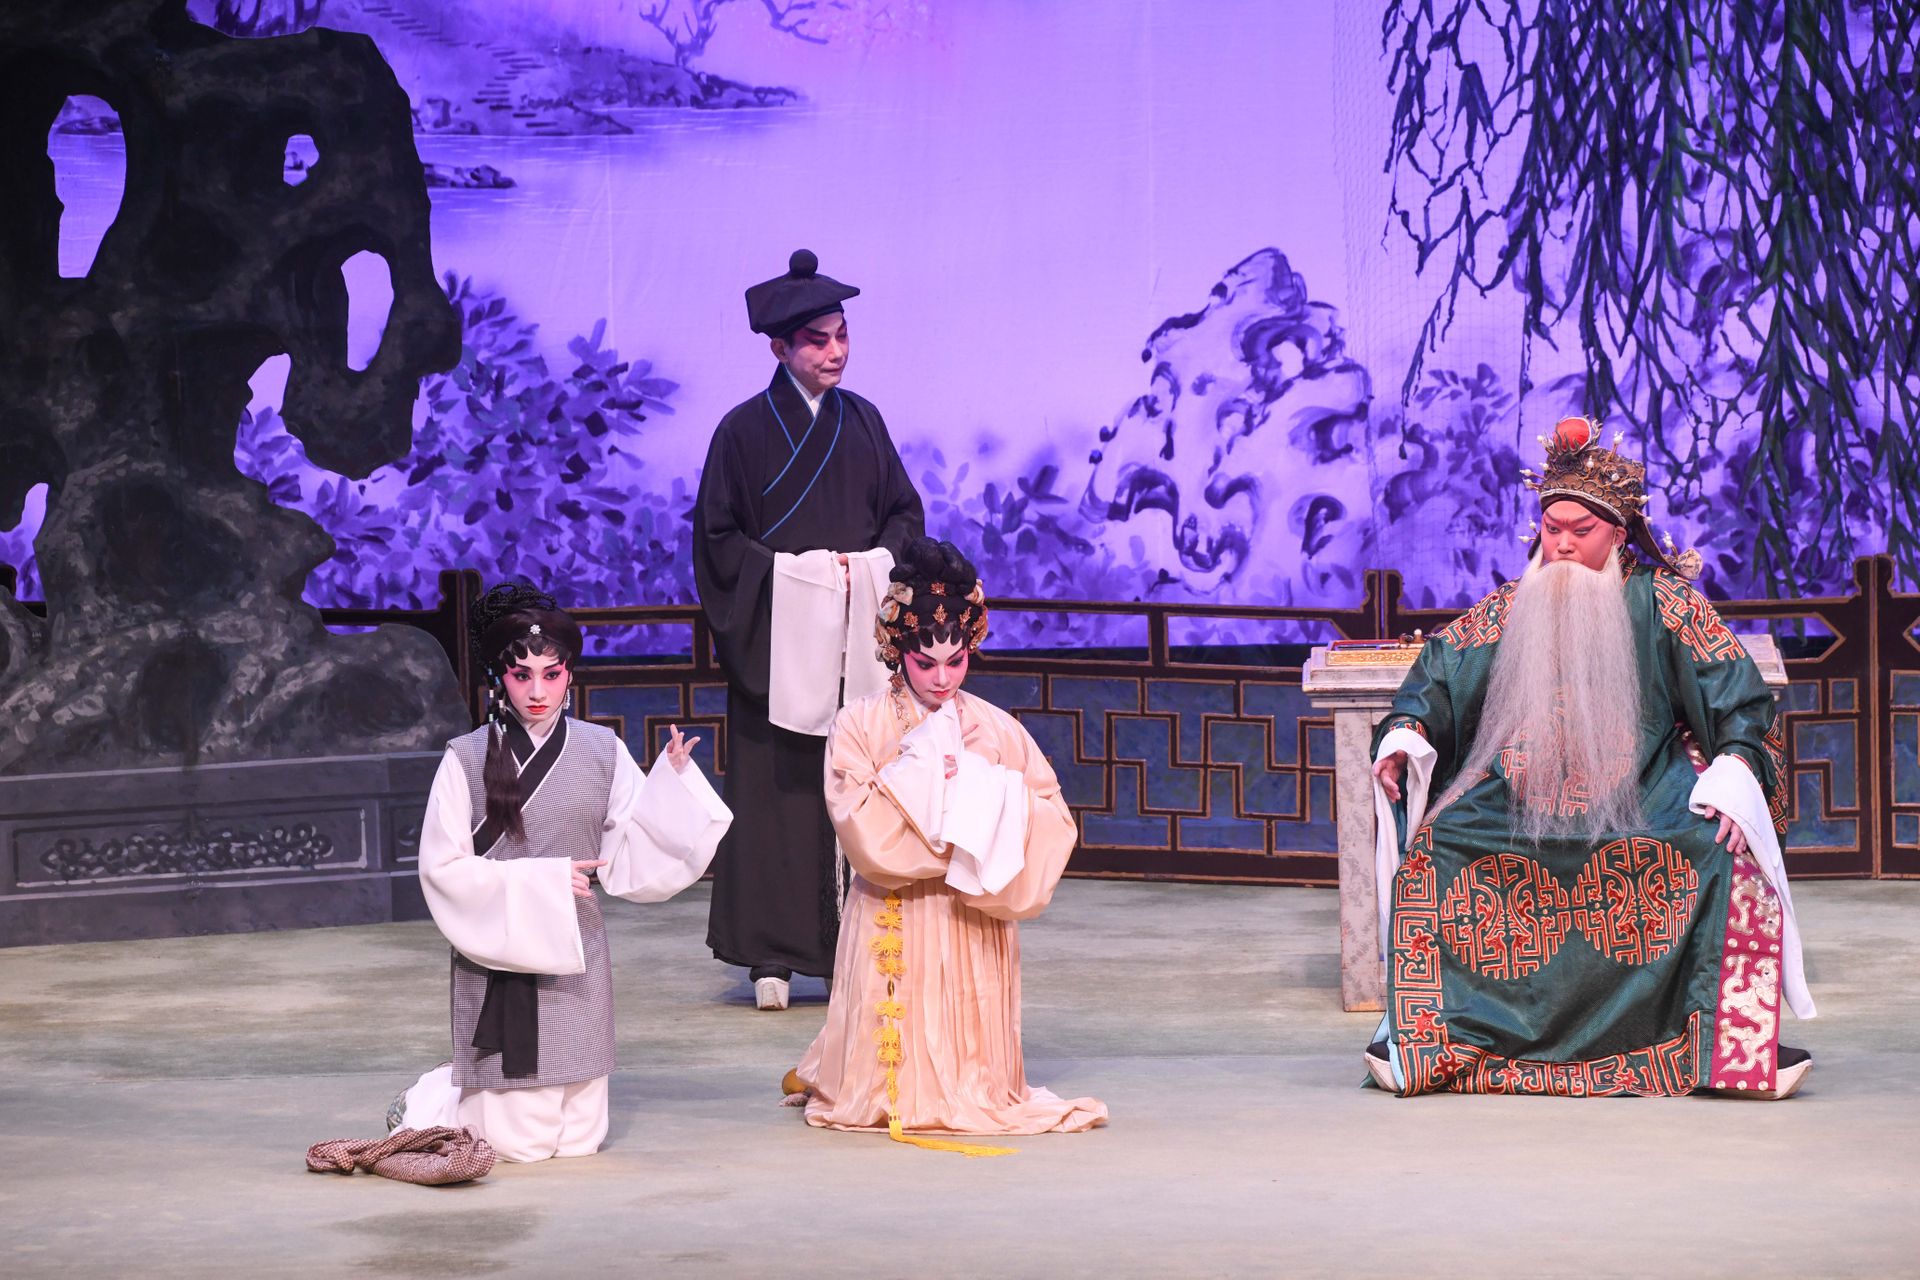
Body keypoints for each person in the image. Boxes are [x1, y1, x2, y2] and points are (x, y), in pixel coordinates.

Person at [1365, 416, 1814, 1099]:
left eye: (1582, 529)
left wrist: (1737, 767)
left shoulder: (1665, 603)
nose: (1565, 544)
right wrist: (1406, 735)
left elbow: (1737, 696)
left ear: (1619, 533)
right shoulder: (1512, 606)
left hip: (1645, 791)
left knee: (1724, 850)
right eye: (1553, 529)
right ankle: (1431, 1041)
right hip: (1514, 799)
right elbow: (1439, 677)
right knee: (1436, 849)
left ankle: (1728, 1046)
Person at [782, 538, 1107, 1150]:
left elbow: (1051, 814)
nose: (941, 678)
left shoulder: (996, 728)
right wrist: (963, 837)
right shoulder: (860, 724)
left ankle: (964, 1085)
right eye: (924, 662)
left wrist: (992, 811)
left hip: (970, 911)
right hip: (896, 906)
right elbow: (859, 823)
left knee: (965, 1035)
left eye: (955, 662)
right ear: (896, 650)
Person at [397, 583, 731, 1161]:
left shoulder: (602, 750)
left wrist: (671, 784)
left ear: (569, 675)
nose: (537, 691)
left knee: (579, 1140)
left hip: (577, 943)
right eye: (521, 675)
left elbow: (630, 854)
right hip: (501, 948)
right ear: (500, 678)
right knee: (519, 1144)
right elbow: (442, 869)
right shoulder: (465, 757)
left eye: (551, 675)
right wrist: (543, 882)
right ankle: (434, 1103)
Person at [694, 249, 925, 1011]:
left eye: (842, 335)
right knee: (776, 794)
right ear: (779, 349)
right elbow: (718, 540)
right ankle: (770, 954)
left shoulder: (865, 421)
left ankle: (855, 945)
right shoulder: (741, 431)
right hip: (778, 643)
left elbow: (904, 514)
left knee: (856, 786)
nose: (835, 352)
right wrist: (795, 582)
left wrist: (871, 568)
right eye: (818, 341)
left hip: (856, 643)